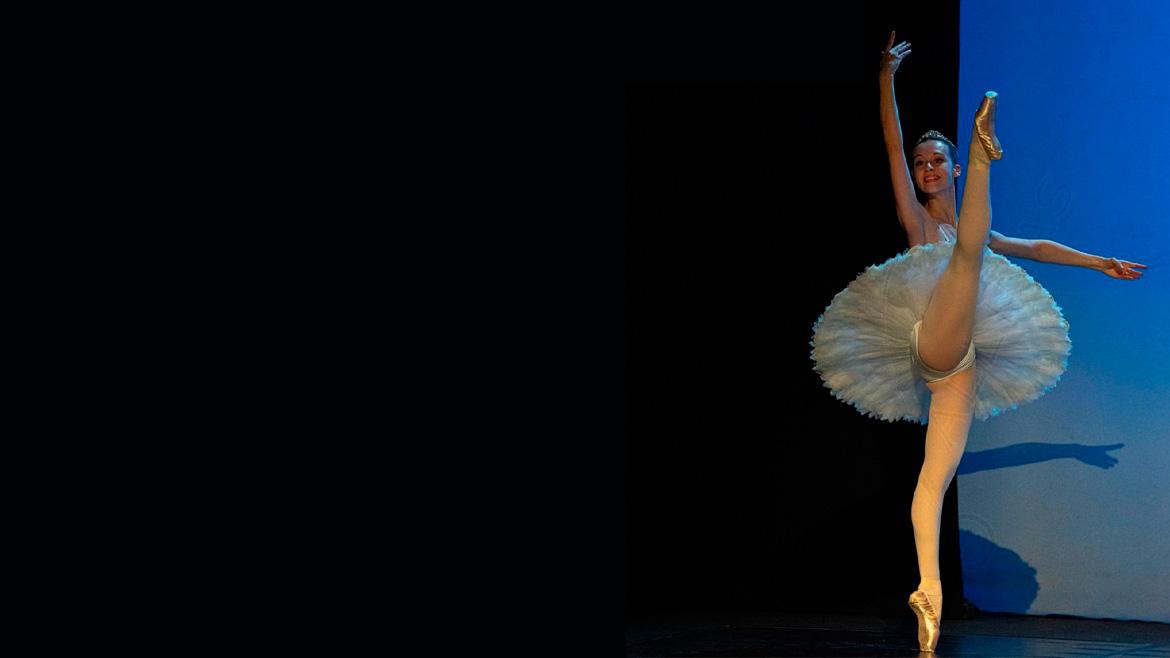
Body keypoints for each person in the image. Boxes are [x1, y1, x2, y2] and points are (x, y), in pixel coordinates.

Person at [809, 31, 1147, 653]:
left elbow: (1037, 247)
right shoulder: (917, 219)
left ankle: (928, 594)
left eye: (938, 162)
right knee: (967, 255)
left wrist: (1099, 262)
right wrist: (885, 79)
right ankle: (987, 149)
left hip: (959, 368)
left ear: (952, 170)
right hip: (929, 341)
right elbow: (891, 142)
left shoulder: (978, 232)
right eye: (922, 164)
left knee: (932, 480)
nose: (927, 169)